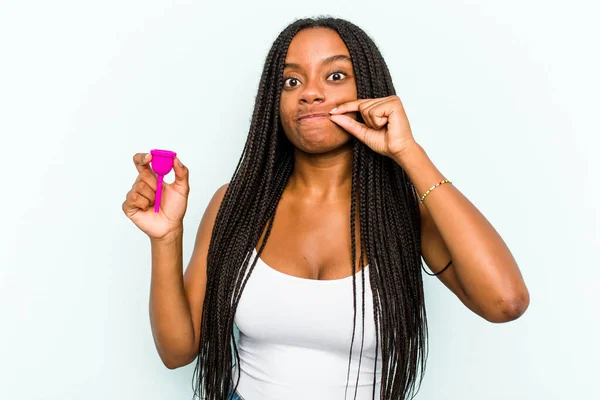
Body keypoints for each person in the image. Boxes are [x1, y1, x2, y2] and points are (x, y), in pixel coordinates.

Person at [122, 16, 529, 400]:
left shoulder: (405, 212)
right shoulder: (237, 203)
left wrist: (408, 152)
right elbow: (178, 352)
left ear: (368, 91)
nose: (310, 92)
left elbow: (505, 302)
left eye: (335, 76)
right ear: (274, 103)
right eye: (291, 80)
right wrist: (166, 238)